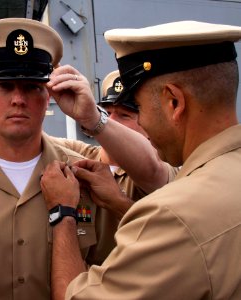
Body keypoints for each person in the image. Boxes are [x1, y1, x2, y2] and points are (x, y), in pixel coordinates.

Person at [0, 18, 172, 300]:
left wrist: (93, 117)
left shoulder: (85, 179)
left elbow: (122, 271)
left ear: (48, 95)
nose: (18, 99)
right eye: (4, 86)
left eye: (31, 87)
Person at [41, 20, 241, 299]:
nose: (142, 122)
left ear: (174, 103)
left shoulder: (172, 217)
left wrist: (62, 213)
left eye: (139, 108)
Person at [51, 70, 177, 265]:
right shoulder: (80, 155)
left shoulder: (164, 169)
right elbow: (35, 143)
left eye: (125, 115)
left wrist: (118, 202)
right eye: (107, 113)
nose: (111, 122)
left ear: (147, 122)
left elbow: (152, 167)